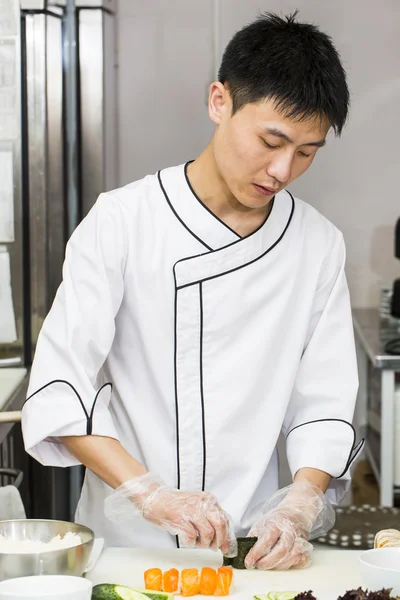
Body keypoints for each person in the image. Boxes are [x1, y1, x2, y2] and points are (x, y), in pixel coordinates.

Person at [22, 11, 363, 570]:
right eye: (271, 140)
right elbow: (62, 384)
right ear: (219, 102)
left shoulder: (317, 244)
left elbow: (324, 405)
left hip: (253, 548)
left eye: (306, 152)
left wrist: (300, 504)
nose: (282, 169)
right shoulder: (122, 221)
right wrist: (150, 495)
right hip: (127, 548)